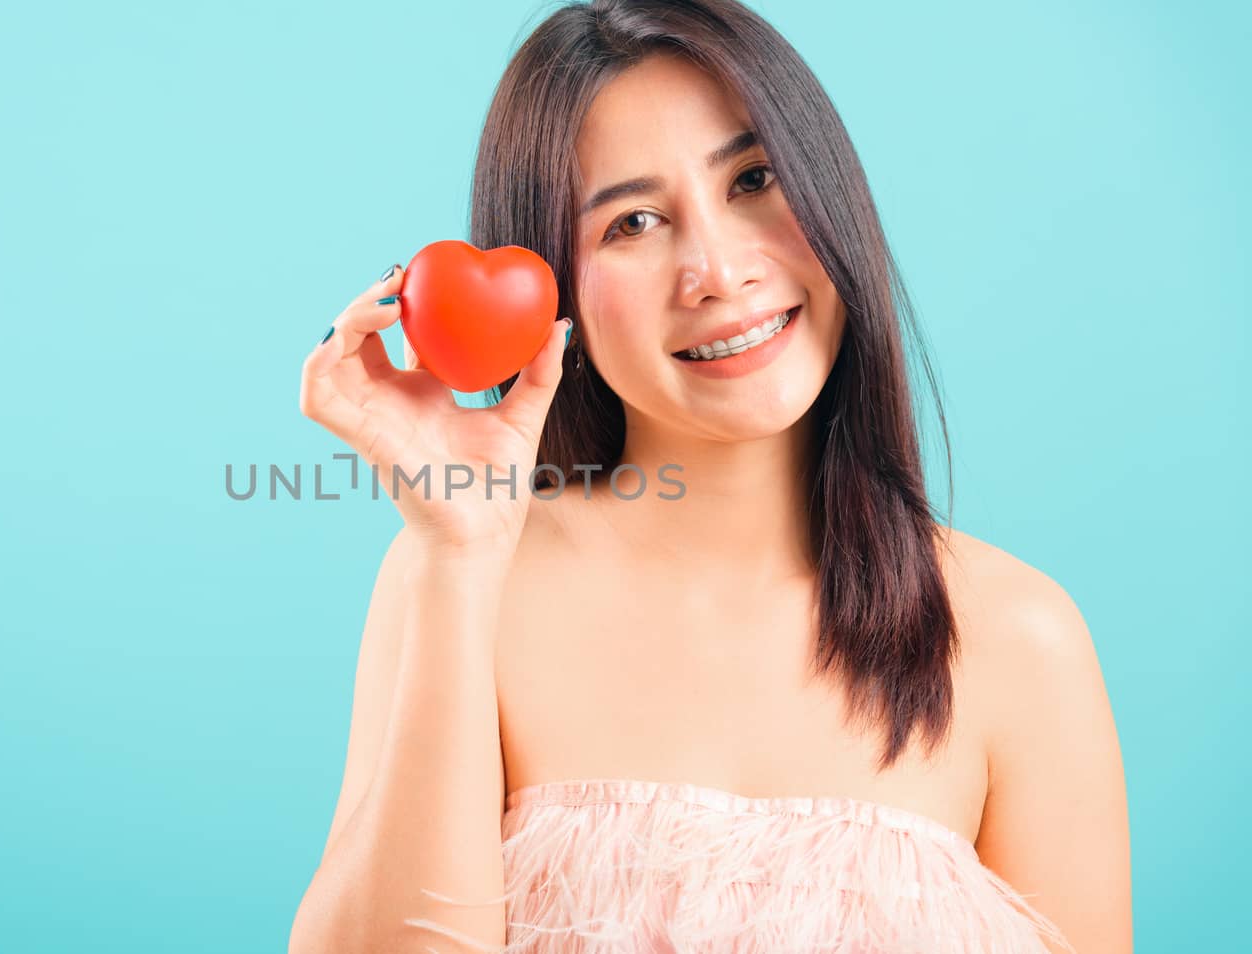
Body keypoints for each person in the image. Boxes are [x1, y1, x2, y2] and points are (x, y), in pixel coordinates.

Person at [288, 1, 1131, 951]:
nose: (717, 272)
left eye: (755, 178)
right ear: (546, 292)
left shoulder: (1021, 640)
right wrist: (458, 553)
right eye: (633, 222)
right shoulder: (465, 583)